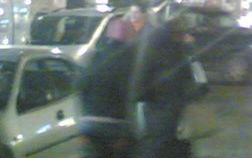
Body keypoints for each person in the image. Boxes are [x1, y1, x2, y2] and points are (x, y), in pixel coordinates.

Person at [131, 16, 199, 158]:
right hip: (165, 102)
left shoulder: (157, 46)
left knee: (156, 139)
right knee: (160, 140)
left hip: (157, 102)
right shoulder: (174, 51)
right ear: (175, 34)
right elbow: (188, 74)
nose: (184, 36)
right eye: (182, 33)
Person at [77, 17, 137, 158]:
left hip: (90, 124)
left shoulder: (95, 56)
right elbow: (130, 91)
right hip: (116, 125)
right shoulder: (129, 60)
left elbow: (81, 85)